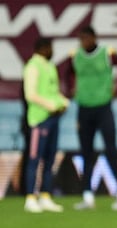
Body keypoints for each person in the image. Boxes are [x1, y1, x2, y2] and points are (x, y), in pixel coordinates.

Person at [65, 25, 117, 211]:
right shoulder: (75, 56)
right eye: (81, 39)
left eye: (86, 38)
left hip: (103, 107)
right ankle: (87, 196)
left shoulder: (107, 53)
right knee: (86, 153)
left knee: (111, 150)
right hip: (84, 108)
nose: (84, 42)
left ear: (94, 38)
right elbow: (67, 74)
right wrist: (70, 90)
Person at [23, 37, 70, 213]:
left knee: (49, 160)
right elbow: (30, 94)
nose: (52, 52)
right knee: (34, 159)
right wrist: (51, 105)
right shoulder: (33, 66)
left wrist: (63, 102)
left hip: (53, 118)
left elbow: (53, 92)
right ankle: (30, 197)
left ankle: (45, 196)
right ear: (43, 48)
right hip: (38, 119)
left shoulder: (49, 66)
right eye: (50, 48)